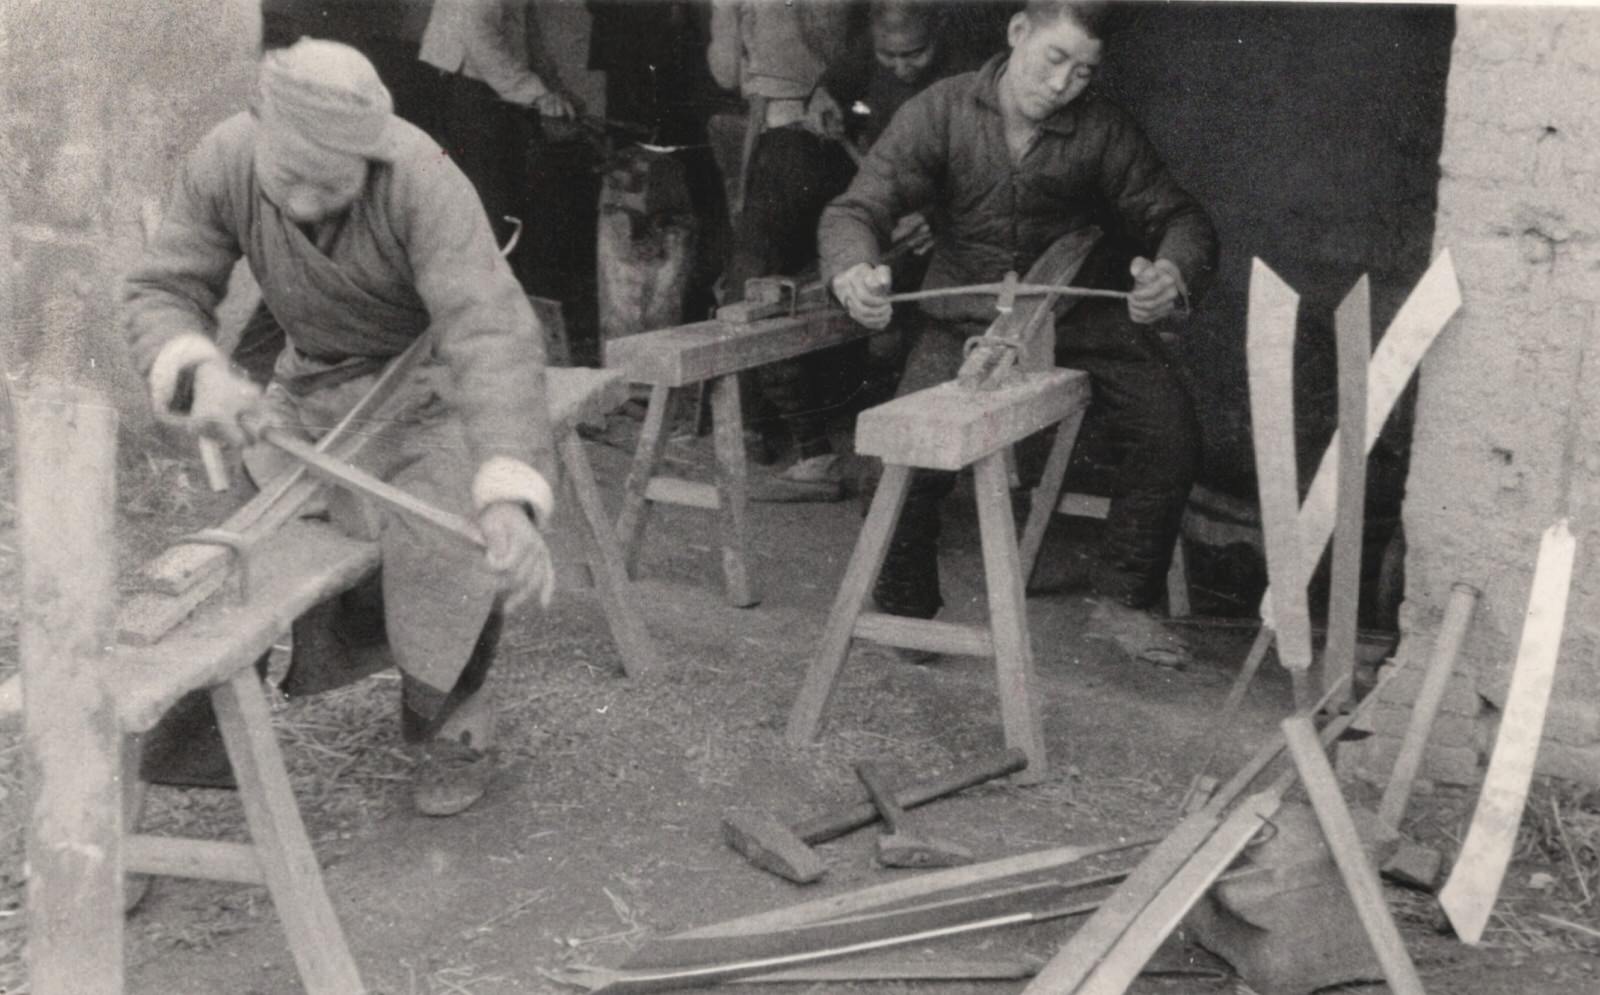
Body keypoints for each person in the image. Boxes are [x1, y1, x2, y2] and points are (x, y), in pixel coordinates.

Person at [123, 39, 559, 817]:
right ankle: (189, 758)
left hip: (429, 391)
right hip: (312, 391)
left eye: (332, 187)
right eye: (288, 181)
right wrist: (202, 372)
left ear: (372, 157)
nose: (305, 204)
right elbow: (162, 287)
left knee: (449, 546)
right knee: (231, 553)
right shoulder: (226, 158)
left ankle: (447, 723)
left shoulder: (421, 177)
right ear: (261, 132)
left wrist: (507, 494)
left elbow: (488, 332)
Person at [820, 0, 1218, 652]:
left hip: (1075, 311)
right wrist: (853, 272)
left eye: (1083, 72)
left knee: (1168, 429)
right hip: (965, 316)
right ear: (1017, 35)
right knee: (896, 464)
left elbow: (1181, 217)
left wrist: (1170, 273)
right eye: (1054, 59)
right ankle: (908, 612)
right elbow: (856, 209)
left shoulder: (1103, 131)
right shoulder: (940, 111)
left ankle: (1123, 598)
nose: (1063, 84)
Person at [707, 0, 863, 502]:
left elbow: (725, 72)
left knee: (756, 290)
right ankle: (789, 422)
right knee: (826, 276)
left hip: (786, 141)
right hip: (842, 141)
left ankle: (809, 449)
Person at [419, 0, 576, 289]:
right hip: (468, 89)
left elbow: (529, 37)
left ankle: (504, 299)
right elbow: (480, 38)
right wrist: (538, 95)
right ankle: (486, 304)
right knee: (491, 205)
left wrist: (556, 89)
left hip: (493, 88)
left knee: (508, 203)